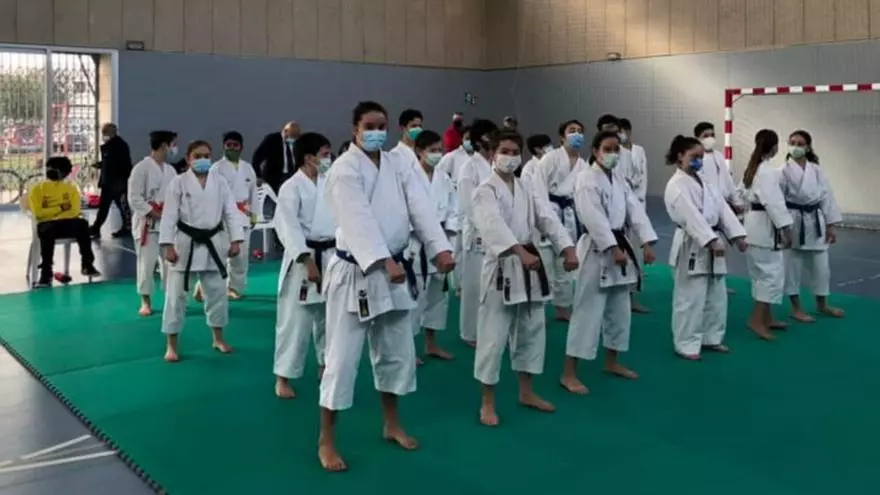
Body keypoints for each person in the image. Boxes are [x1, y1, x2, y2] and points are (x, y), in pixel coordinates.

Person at [318, 101, 454, 472]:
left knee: (395, 352)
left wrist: (439, 247)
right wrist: (382, 259)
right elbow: (356, 218)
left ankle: (392, 424)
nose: (377, 131)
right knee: (341, 360)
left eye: (382, 125)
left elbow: (420, 206)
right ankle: (326, 440)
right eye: (369, 125)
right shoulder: (344, 169)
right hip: (357, 272)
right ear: (355, 129)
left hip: (395, 270)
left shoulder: (397, 163)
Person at [471, 129, 577, 427]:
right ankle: (487, 402)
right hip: (503, 265)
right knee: (493, 336)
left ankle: (527, 392)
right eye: (504, 151)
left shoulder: (526, 187)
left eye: (515, 152)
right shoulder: (484, 190)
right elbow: (492, 226)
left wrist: (566, 247)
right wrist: (519, 252)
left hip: (530, 264)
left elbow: (546, 218)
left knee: (531, 330)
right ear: (492, 154)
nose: (510, 157)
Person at [561, 131, 657, 395]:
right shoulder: (586, 179)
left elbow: (635, 211)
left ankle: (612, 362)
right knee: (587, 313)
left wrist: (647, 242)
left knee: (620, 310)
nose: (613, 153)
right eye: (607, 148)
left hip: (621, 248)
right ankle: (569, 373)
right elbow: (593, 217)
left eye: (616, 149)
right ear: (595, 151)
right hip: (597, 249)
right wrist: (612, 248)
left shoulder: (619, 179)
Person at [159, 140, 245, 362]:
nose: (202, 160)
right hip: (185, 244)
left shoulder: (220, 182)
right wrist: (167, 245)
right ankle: (171, 345)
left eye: (206, 155)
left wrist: (236, 239)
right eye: (197, 156)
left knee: (217, 294)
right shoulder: (178, 183)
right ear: (188, 159)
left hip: (213, 242)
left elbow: (231, 211)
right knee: (176, 297)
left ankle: (218, 338)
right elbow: (169, 215)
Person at [663, 135, 747, 360]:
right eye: (694, 156)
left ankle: (712, 337)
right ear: (680, 156)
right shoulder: (676, 185)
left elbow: (722, 209)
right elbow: (690, 217)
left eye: (701, 156)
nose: (699, 160)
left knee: (716, 295)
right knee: (690, 297)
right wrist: (710, 241)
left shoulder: (704, 181)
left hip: (714, 241)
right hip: (692, 243)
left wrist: (738, 235)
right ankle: (686, 344)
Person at [273, 132, 336, 399]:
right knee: (295, 322)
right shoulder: (291, 187)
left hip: (332, 255)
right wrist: (306, 259)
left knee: (330, 318)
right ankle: (283, 377)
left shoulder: (330, 182)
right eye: (325, 154)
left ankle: (325, 364)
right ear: (309, 158)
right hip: (303, 258)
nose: (329, 159)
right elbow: (286, 226)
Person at [781, 130, 844, 321]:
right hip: (794, 221)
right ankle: (796, 308)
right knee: (792, 268)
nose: (795, 146)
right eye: (792, 142)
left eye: (800, 143)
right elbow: (777, 201)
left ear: (808, 147)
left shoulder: (816, 170)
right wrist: (783, 227)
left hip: (816, 221)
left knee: (822, 268)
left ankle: (822, 305)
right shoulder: (782, 171)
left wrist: (831, 224)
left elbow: (826, 197)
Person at [409, 130, 459, 363]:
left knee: (438, 298)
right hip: (416, 243)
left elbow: (455, 209)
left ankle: (431, 344)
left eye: (440, 150)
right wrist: (424, 233)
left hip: (441, 241)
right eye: (432, 150)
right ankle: (409, 348)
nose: (437, 154)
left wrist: (447, 237)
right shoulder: (408, 177)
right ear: (419, 151)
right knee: (415, 298)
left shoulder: (444, 178)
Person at [741, 129, 794, 340]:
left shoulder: (752, 169)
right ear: (774, 148)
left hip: (753, 226)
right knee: (769, 276)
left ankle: (767, 317)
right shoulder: (767, 172)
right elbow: (774, 204)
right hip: (764, 230)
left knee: (761, 275)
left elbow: (739, 194)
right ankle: (756, 320)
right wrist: (786, 229)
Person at [596, 114, 650, 314]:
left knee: (631, 256)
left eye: (613, 127)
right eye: (605, 128)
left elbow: (637, 179)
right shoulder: (593, 163)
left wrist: (635, 204)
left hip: (627, 211)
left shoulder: (625, 154)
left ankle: (631, 296)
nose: (610, 131)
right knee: (602, 268)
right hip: (605, 223)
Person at [533, 120, 585, 322]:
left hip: (569, 216)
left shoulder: (583, 164)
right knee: (544, 266)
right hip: (548, 213)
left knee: (565, 266)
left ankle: (563, 308)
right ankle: (537, 309)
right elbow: (537, 191)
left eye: (579, 131)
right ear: (562, 137)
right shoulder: (550, 159)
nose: (576, 134)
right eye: (572, 131)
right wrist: (545, 218)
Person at [197, 131, 257, 301]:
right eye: (228, 145)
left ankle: (234, 287)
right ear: (223, 147)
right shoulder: (216, 168)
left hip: (243, 216)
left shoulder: (248, 168)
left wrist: (254, 215)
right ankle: (202, 287)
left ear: (241, 147)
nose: (231, 148)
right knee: (218, 255)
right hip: (222, 217)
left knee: (241, 256)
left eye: (235, 145)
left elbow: (253, 193)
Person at [28, 156, 102, 287]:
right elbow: (38, 213)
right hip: (47, 225)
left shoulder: (71, 189)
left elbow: (74, 211)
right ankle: (46, 273)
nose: (50, 171)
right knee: (48, 230)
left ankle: (87, 264)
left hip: (65, 223)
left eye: (54, 169)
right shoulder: (37, 189)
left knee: (83, 225)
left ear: (64, 173)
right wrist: (61, 208)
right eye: (49, 168)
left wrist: (52, 213)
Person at [457, 118, 499, 347]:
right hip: (478, 234)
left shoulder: (494, 164)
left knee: (493, 287)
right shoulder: (469, 168)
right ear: (479, 139)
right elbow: (468, 205)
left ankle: (491, 328)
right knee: (474, 286)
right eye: (490, 135)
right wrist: (487, 228)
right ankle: (470, 332)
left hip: (497, 231)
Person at [129, 131, 179, 317]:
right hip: (147, 223)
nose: (174, 148)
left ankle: (171, 299)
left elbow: (176, 196)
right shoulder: (140, 169)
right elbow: (134, 198)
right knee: (146, 264)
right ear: (164, 146)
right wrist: (155, 213)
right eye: (173, 144)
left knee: (171, 263)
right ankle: (145, 301)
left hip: (168, 223)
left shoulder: (171, 170)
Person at [694, 121, 744, 295]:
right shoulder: (698, 160)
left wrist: (736, 200)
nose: (710, 138)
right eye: (705, 136)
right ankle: (703, 282)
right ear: (697, 138)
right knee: (707, 247)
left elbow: (727, 181)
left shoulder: (719, 156)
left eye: (712, 135)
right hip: (706, 208)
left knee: (722, 248)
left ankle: (719, 282)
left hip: (722, 207)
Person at [436, 125, 473, 294]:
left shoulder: (481, 158)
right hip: (458, 205)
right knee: (457, 247)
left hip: (475, 207)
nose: (469, 141)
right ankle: (458, 285)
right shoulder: (451, 157)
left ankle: (471, 282)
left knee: (472, 248)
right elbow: (439, 177)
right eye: (467, 138)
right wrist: (452, 189)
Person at [89, 123, 132, 238]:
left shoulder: (119, 146)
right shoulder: (113, 145)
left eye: (104, 133)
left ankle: (97, 228)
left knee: (113, 206)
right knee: (114, 206)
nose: (103, 135)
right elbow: (109, 162)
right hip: (111, 181)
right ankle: (97, 228)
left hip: (115, 182)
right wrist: (100, 165)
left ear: (110, 133)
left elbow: (120, 164)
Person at [252, 121, 301, 193]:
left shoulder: (298, 142)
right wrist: (258, 175)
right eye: (291, 136)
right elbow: (257, 157)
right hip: (274, 177)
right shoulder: (272, 139)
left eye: (295, 137)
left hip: (292, 177)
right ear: (285, 131)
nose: (293, 139)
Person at [618, 118, 647, 204]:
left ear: (629, 132)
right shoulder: (617, 151)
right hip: (623, 194)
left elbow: (643, 174)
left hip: (639, 195)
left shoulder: (639, 150)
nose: (619, 135)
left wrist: (641, 195)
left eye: (621, 132)